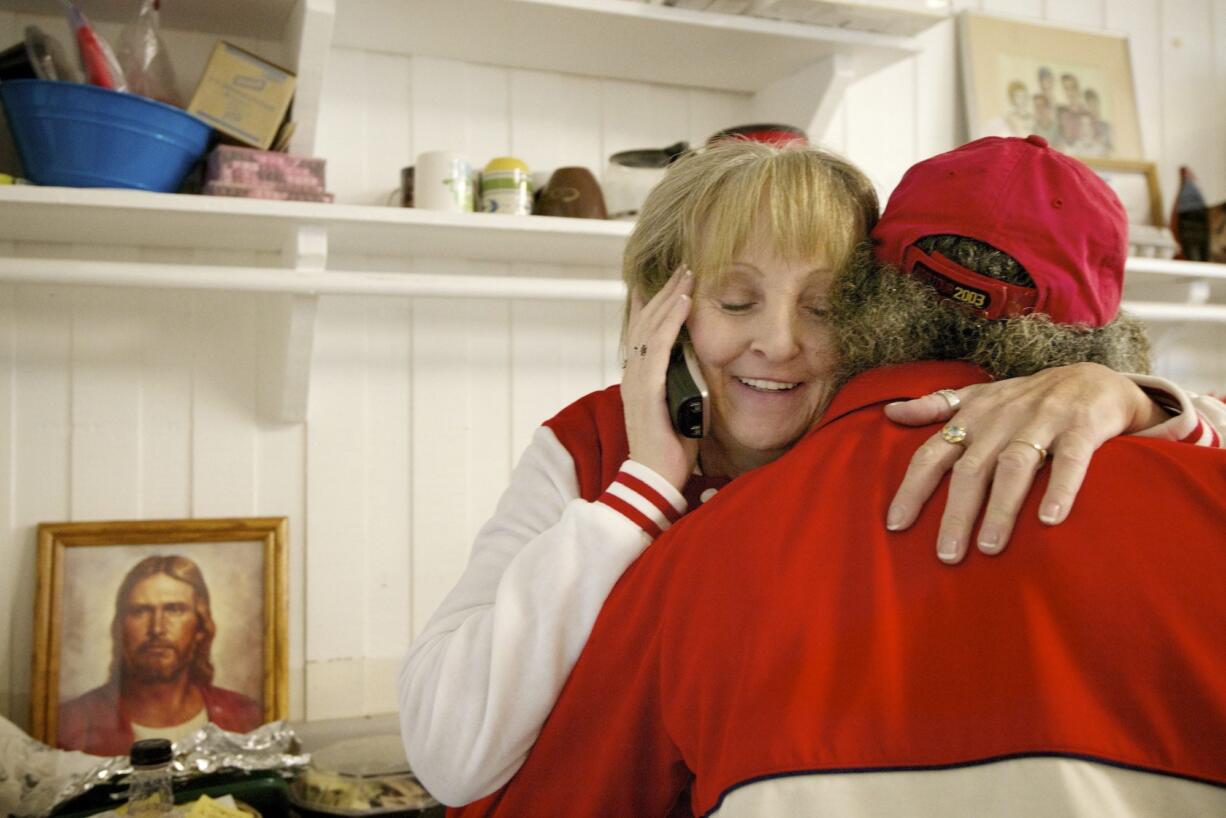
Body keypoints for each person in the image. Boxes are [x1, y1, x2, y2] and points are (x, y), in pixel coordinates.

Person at [399, 139, 1224, 805]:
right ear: (661, 310)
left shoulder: (910, 446)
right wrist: (641, 490)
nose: (781, 342)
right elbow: (451, 755)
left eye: (824, 307)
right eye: (734, 301)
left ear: (875, 316)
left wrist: (1136, 401)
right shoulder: (588, 448)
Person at [57, 555, 262, 755]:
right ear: (120, 628)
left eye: (174, 610)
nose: (157, 628)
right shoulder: (73, 720)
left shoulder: (243, 715)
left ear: (200, 627)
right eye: (140, 611)